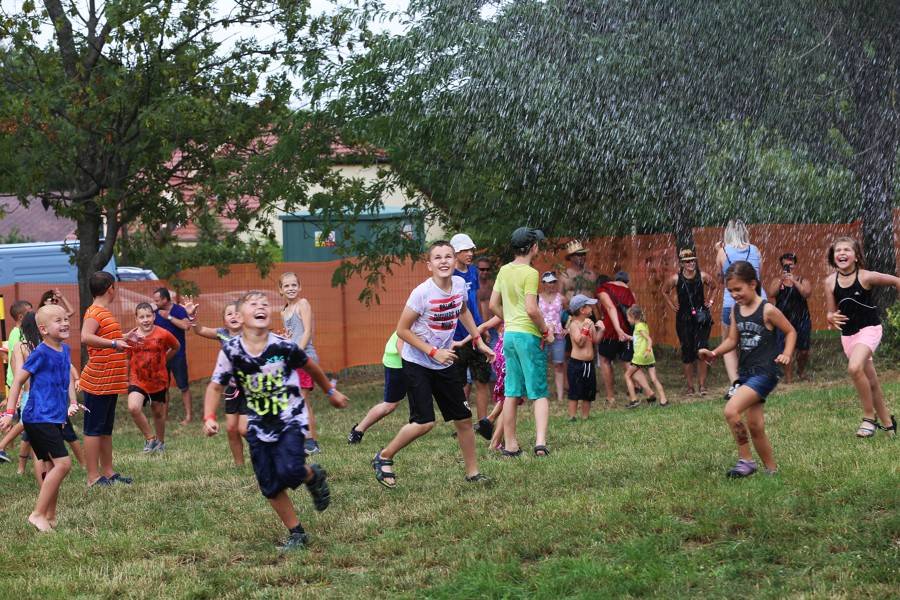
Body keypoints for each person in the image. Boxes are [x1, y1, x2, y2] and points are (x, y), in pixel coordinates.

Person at [203, 291, 349, 551]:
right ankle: (297, 534)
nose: (261, 307)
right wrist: (209, 417)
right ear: (240, 316)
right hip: (258, 424)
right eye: (253, 304)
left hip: (290, 419)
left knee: (290, 470)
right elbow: (215, 386)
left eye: (264, 304)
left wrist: (331, 392)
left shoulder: (284, 346)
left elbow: (311, 368)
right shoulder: (232, 351)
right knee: (269, 485)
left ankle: (312, 475)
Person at [371, 241, 494, 488]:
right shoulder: (422, 294)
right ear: (429, 265)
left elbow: (463, 311)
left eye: (448, 256)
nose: (444, 261)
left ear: (454, 261)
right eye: (437, 257)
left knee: (463, 419)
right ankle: (383, 456)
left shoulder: (459, 285)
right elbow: (402, 330)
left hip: (443, 362)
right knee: (424, 422)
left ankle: (473, 473)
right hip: (417, 361)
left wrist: (478, 340)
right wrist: (433, 352)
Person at [699, 261, 795, 478]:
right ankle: (772, 470)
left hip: (766, 372)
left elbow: (791, 331)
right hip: (747, 373)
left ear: (753, 284)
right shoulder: (736, 310)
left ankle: (746, 461)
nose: (734, 295)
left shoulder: (767, 310)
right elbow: (732, 340)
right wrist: (714, 353)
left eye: (738, 289)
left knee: (731, 410)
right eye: (730, 291)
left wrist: (787, 353)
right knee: (755, 425)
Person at [0, 305, 82, 531]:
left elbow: (66, 379)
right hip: (38, 417)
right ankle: (37, 514)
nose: (65, 323)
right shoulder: (40, 353)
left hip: (54, 418)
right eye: (58, 320)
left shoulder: (65, 350)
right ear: (43, 329)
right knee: (63, 464)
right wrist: (10, 413)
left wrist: (72, 403)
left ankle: (50, 516)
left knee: (50, 465)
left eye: (66, 319)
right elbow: (18, 381)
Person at [824, 237, 899, 438]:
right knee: (871, 381)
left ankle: (868, 418)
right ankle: (889, 426)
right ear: (833, 256)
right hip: (848, 336)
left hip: (869, 329)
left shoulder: (866, 277)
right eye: (838, 250)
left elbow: (896, 281)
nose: (842, 253)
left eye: (847, 250)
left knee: (854, 368)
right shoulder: (829, 282)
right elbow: (831, 312)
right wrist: (830, 316)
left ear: (856, 256)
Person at [489, 227, 553, 457]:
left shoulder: (504, 270)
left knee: (512, 391)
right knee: (539, 391)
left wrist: (509, 319)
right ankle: (540, 444)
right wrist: (545, 331)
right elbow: (532, 309)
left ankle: (510, 445)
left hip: (509, 336)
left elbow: (493, 304)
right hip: (528, 337)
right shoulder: (530, 273)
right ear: (533, 247)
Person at [80, 271, 132, 487]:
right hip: (98, 382)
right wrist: (114, 344)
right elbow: (86, 337)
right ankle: (93, 477)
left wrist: (124, 338)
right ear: (110, 288)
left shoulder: (103, 312)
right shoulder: (94, 312)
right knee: (93, 429)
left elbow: (105, 338)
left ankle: (108, 472)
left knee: (105, 429)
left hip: (109, 382)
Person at [184, 297, 247, 465]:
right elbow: (200, 330)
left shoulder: (250, 334)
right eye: (229, 314)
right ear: (224, 320)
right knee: (232, 429)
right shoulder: (222, 334)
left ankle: (266, 454)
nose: (234, 316)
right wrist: (192, 317)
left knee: (245, 429)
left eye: (237, 313)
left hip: (251, 390)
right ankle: (239, 465)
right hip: (231, 390)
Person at [715, 219, 767, 400]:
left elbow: (720, 279)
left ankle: (736, 384)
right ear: (745, 232)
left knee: (729, 343)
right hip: (758, 302)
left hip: (732, 303)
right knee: (755, 341)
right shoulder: (755, 250)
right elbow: (759, 277)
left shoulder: (723, 251)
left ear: (727, 234)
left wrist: (719, 251)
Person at [449, 233, 492, 437]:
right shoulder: (448, 274)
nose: (470, 254)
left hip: (475, 333)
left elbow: (474, 300)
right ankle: (462, 425)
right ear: (455, 252)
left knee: (481, 379)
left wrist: (482, 327)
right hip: (455, 337)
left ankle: (483, 423)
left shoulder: (473, 272)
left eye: (471, 250)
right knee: (459, 384)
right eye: (465, 250)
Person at [125, 302, 180, 453]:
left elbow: (176, 346)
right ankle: (150, 438)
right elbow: (128, 358)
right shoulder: (132, 337)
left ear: (154, 316)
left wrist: (164, 359)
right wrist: (126, 377)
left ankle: (160, 443)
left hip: (158, 380)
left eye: (148, 316)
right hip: (137, 379)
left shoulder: (163, 334)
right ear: (136, 319)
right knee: (133, 407)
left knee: (158, 412)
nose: (145, 320)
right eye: (141, 317)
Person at [660, 249, 717, 396]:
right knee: (687, 352)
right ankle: (690, 387)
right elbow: (664, 290)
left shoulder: (702, 276)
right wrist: (672, 305)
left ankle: (702, 386)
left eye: (692, 260)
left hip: (701, 318)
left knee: (702, 350)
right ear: (682, 263)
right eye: (687, 261)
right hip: (684, 319)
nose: (691, 263)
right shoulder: (675, 278)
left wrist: (710, 301)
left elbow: (714, 286)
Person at [279, 272, 322, 455]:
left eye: (294, 285)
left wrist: (297, 353)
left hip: (305, 357)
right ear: (280, 290)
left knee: (302, 399)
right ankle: (303, 439)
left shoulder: (303, 304)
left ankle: (311, 442)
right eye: (286, 286)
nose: (291, 288)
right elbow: (292, 335)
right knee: (296, 400)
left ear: (300, 287)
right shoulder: (283, 311)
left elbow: (307, 332)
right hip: (292, 359)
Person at [596, 272, 652, 407]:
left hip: (610, 331)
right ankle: (648, 391)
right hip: (628, 331)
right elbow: (635, 313)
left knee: (605, 360)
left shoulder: (603, 289)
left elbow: (610, 308)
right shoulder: (629, 291)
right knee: (629, 362)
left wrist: (617, 329)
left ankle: (611, 397)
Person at [347, 332, 407, 444]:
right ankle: (357, 431)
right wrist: (409, 365)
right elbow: (401, 338)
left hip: (420, 360)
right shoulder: (416, 320)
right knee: (389, 405)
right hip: (398, 361)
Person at [766, 252, 812, 383]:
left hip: (802, 318)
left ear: (795, 265)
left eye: (790, 265)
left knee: (804, 351)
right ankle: (789, 379)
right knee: (786, 349)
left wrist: (794, 281)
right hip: (783, 319)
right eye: (785, 265)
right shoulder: (777, 281)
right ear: (782, 266)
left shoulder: (802, 280)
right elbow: (771, 293)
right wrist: (781, 280)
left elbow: (806, 293)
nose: (788, 268)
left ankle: (801, 372)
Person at [0, 300, 34, 465]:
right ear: (21, 316)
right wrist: (19, 387)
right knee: (25, 421)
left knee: (28, 421)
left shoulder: (24, 332)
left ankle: (33, 454)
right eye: (30, 311)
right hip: (19, 383)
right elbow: (15, 362)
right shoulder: (16, 334)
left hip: (24, 383)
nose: (34, 314)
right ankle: (2, 446)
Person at [152, 288, 192, 424]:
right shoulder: (155, 313)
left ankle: (188, 417)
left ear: (165, 299)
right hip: (161, 356)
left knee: (183, 386)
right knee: (163, 387)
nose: (155, 303)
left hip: (178, 355)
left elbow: (186, 326)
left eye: (157, 300)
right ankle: (164, 417)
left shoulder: (179, 310)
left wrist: (169, 317)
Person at [566, 294, 603, 420]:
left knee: (588, 391)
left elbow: (595, 341)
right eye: (589, 306)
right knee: (575, 391)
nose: (592, 308)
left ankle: (585, 417)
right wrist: (585, 328)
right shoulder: (574, 325)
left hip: (589, 363)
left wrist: (601, 330)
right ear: (582, 310)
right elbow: (580, 342)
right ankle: (572, 417)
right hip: (576, 363)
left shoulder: (590, 322)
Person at [625, 305, 669, 408]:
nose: (627, 320)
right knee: (654, 379)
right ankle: (663, 400)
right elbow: (639, 338)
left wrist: (647, 350)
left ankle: (633, 399)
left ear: (633, 316)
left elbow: (649, 339)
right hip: (649, 357)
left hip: (640, 356)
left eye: (628, 317)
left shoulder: (638, 326)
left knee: (627, 375)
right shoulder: (643, 325)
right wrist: (629, 337)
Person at [539, 271, 567, 404]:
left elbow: (570, 313)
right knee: (541, 365)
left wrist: (568, 327)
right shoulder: (537, 298)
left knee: (559, 364)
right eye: (549, 282)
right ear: (543, 283)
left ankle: (560, 396)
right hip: (542, 336)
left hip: (558, 335)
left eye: (553, 282)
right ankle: (542, 395)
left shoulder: (561, 298)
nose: (551, 284)